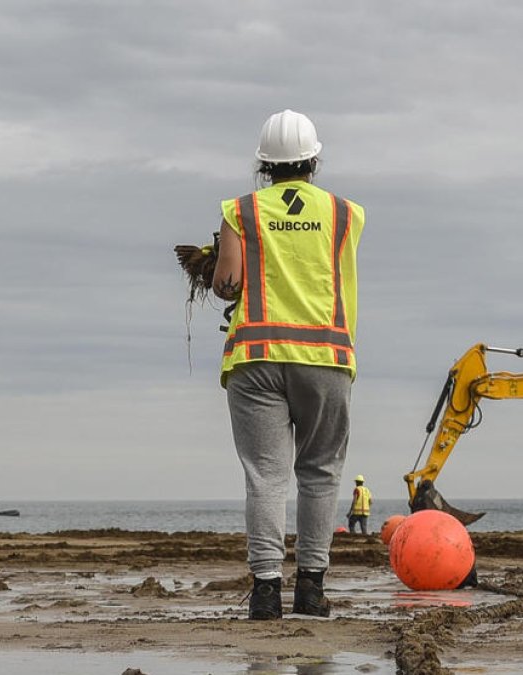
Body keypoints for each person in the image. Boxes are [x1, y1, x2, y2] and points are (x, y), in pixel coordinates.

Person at [211, 109, 366, 620]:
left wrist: (216, 265)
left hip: (256, 358)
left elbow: (227, 286)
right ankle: (312, 591)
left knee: (266, 476)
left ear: (263, 166)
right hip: (326, 357)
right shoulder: (348, 214)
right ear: (314, 160)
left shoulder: (240, 212)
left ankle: (265, 593)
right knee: (319, 472)